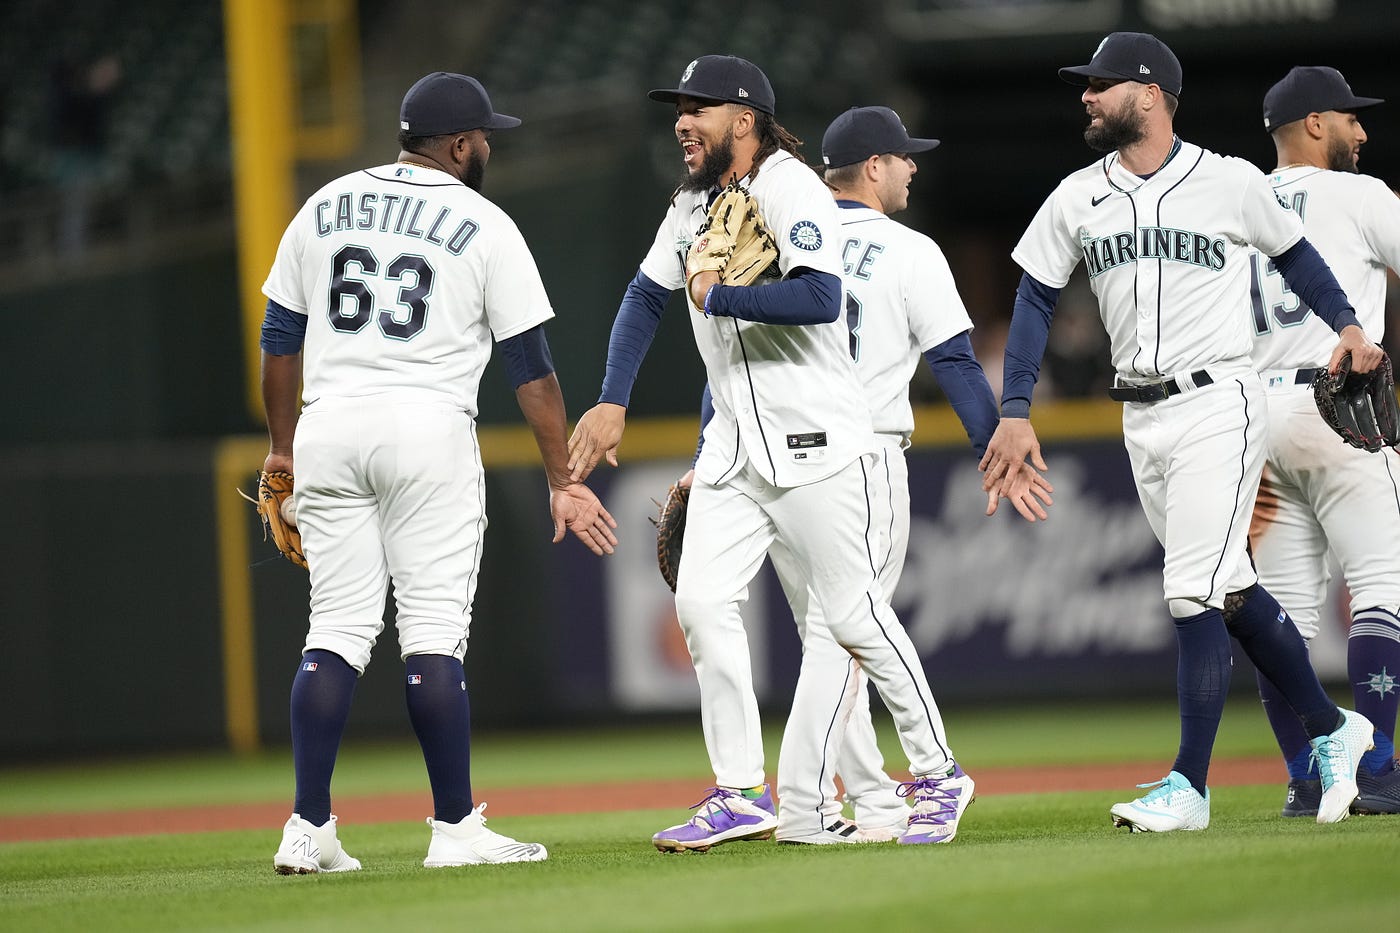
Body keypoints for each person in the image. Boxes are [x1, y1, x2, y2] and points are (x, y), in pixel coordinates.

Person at [568, 55, 1020, 851]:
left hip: (821, 441)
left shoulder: (793, 189)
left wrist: (720, 294)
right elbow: (645, 296)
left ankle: (939, 771)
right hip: (736, 451)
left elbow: (821, 296)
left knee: (851, 616)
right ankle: (741, 790)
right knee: (702, 603)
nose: (682, 119)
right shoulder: (691, 204)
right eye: (678, 106)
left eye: (698, 107)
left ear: (743, 119)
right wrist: (612, 398)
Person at [979, 32, 1379, 831]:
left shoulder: (1227, 181)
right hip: (1140, 415)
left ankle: (1189, 786)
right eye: (1085, 87)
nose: (1087, 97)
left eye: (1102, 85)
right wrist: (1015, 408)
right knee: (1228, 588)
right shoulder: (1076, 196)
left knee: (1189, 591)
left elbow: (1297, 257)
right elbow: (1033, 299)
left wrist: (1346, 325)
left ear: (1151, 93)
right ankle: (1338, 732)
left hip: (1217, 402)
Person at [258, 72, 618, 873]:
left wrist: (282, 448)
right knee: (430, 634)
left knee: (336, 630)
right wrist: (562, 478)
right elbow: (533, 371)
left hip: (329, 424)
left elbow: (279, 336)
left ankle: (308, 826)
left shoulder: (325, 203)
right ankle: (454, 829)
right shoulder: (484, 222)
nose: (488, 146)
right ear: (458, 145)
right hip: (426, 430)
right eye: (484, 135)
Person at [769, 105, 1051, 844]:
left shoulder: (782, 243)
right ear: (872, 168)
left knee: (831, 638)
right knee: (847, 635)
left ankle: (859, 800)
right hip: (861, 460)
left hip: (780, 465)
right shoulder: (907, 249)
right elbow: (954, 361)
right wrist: (995, 446)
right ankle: (881, 786)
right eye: (902, 157)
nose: (913, 168)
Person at [1248, 66, 1400, 817]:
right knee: (1379, 587)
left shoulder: (1235, 203)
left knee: (1283, 615)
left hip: (1251, 420)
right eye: (1350, 117)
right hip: (1337, 405)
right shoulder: (1361, 196)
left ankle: (1307, 778)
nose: (1362, 130)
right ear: (1314, 124)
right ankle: (1377, 771)